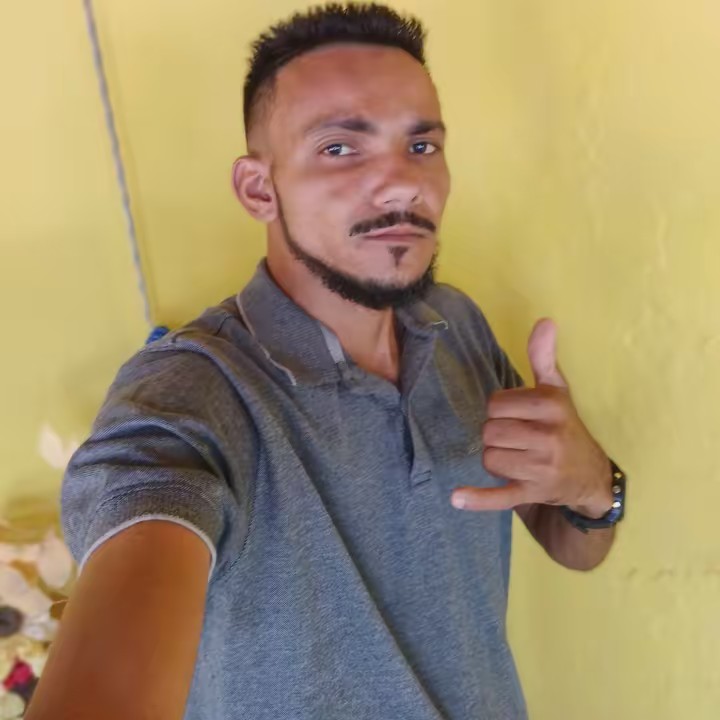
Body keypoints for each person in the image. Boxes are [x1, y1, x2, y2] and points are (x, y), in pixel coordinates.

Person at [27, 3, 625, 719]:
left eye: (422, 145)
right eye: (340, 147)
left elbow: (577, 545)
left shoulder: (458, 328)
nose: (402, 183)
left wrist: (595, 486)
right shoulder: (190, 396)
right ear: (259, 189)